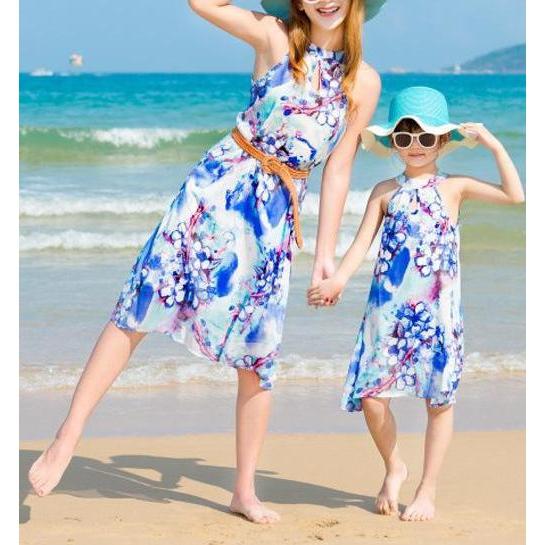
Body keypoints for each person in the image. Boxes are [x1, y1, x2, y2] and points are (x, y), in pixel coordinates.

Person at [28, 0, 384, 524]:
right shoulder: (273, 37)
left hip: (273, 216)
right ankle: (68, 435)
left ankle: (244, 490)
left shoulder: (364, 80)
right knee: (141, 304)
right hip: (217, 188)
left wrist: (326, 255)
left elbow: (339, 168)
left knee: (259, 352)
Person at [307, 86, 525, 521]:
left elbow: (514, 195)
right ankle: (395, 466)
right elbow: (360, 244)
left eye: (426, 137)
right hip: (386, 311)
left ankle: (427, 488)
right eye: (405, 137)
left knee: (438, 401)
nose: (415, 146)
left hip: (438, 313)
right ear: (393, 142)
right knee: (371, 397)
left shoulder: (455, 187)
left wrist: (494, 144)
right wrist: (338, 281)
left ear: (442, 142)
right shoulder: (385, 190)